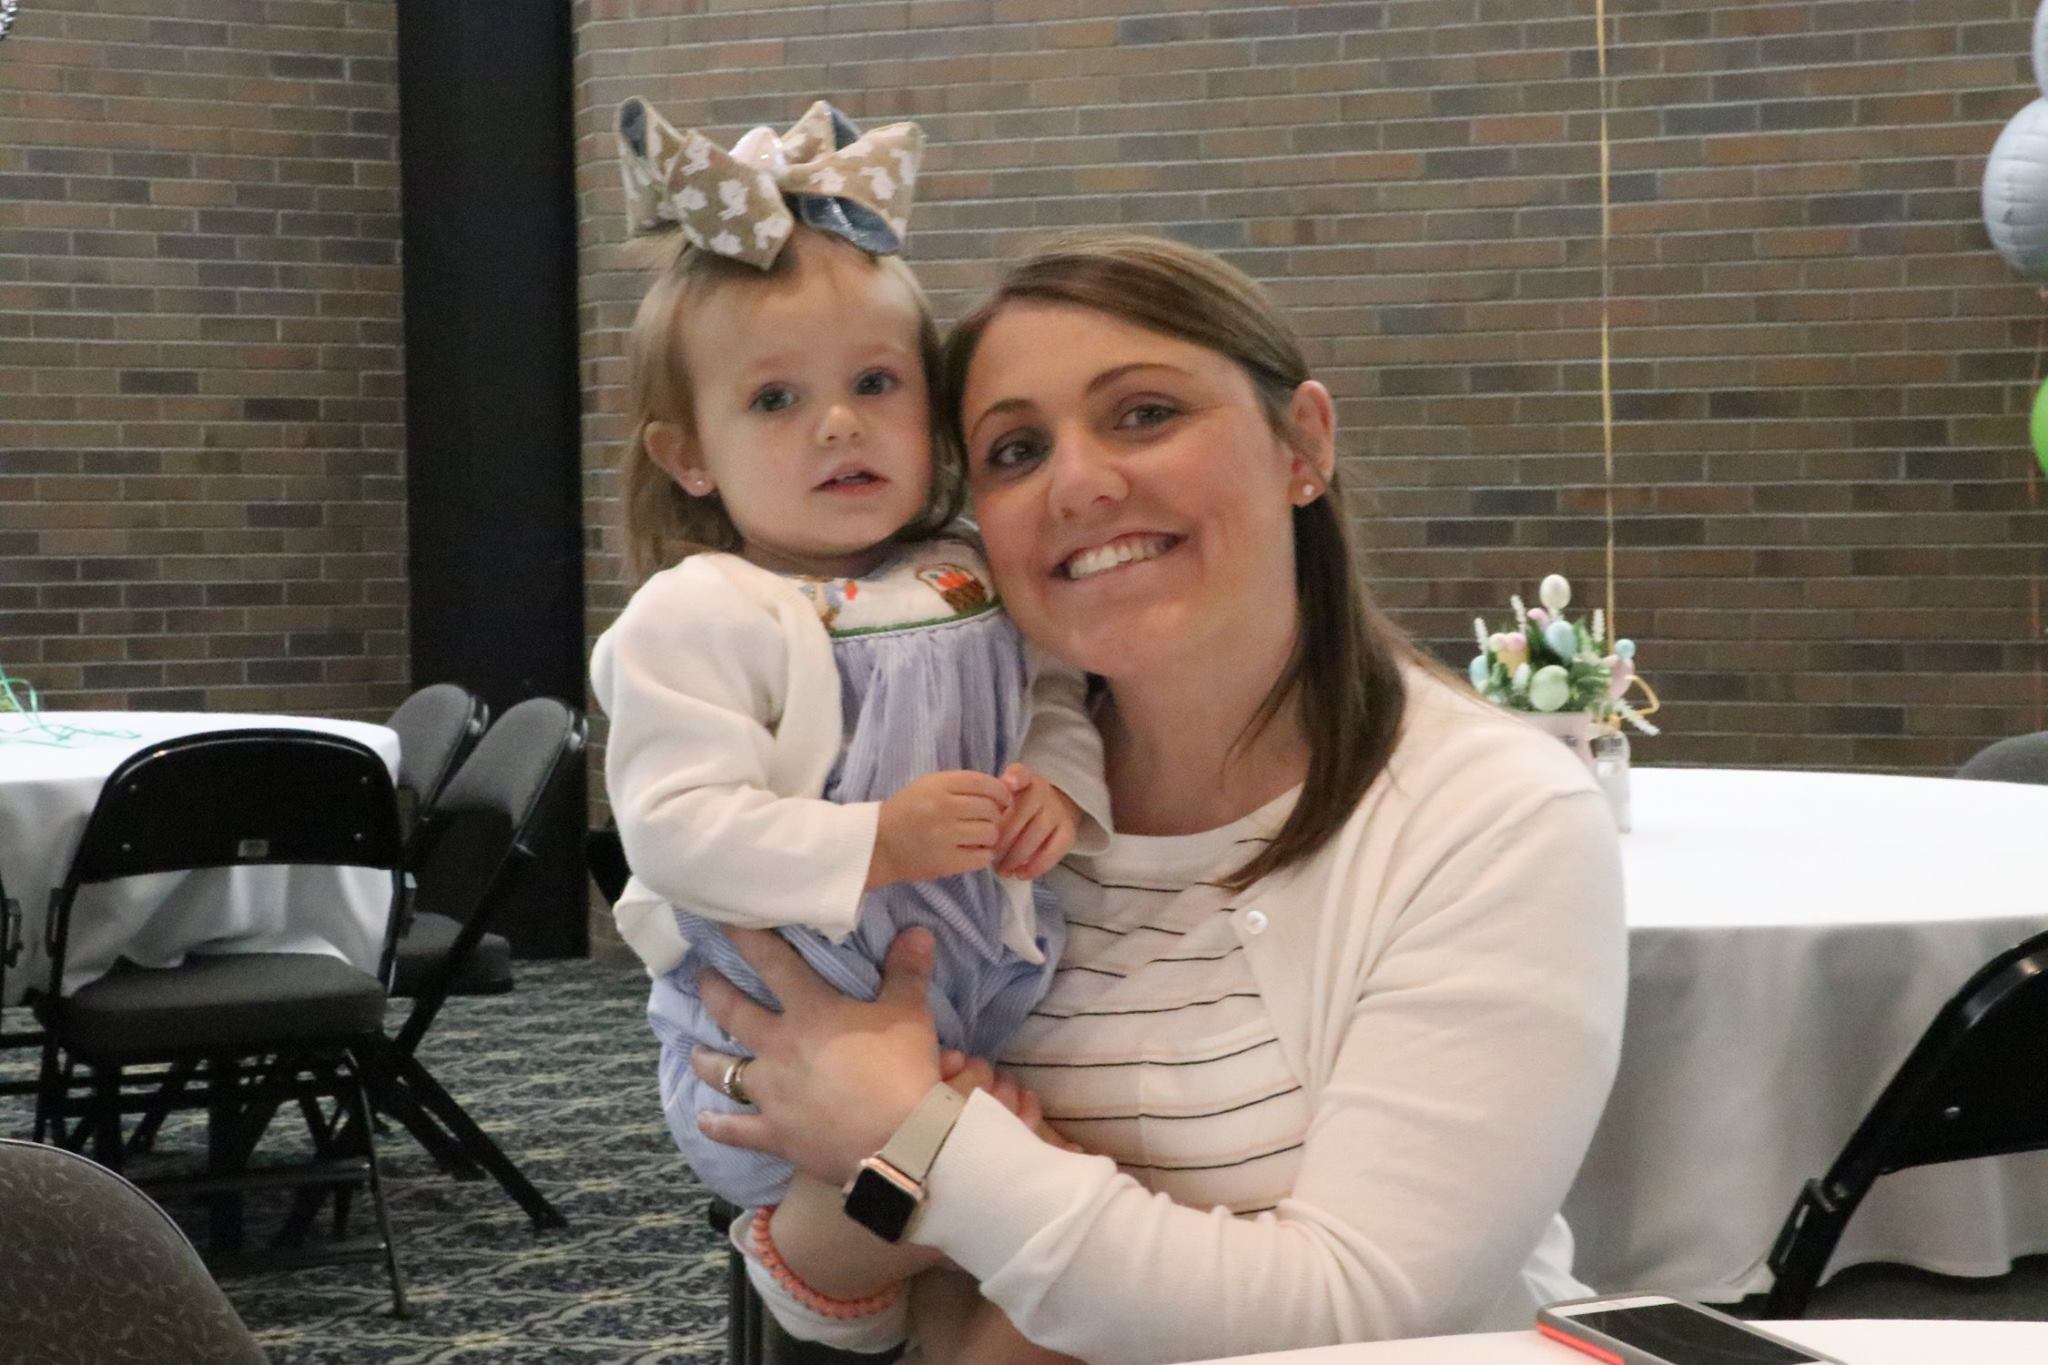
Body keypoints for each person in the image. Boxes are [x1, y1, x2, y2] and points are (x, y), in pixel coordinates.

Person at [685, 233, 1630, 1364]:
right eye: (1015, 449)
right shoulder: (951, 807)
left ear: (1303, 446)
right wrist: (875, 1180)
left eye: (1142, 414)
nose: (1078, 483)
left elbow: (1363, 1315)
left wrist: (913, 1139)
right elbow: (822, 1282)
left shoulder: (1488, 815)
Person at [589, 100, 1110, 1312]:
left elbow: (1055, 699)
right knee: (926, 1206)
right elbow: (673, 828)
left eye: (876, 382)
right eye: (774, 401)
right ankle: (844, 1248)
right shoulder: (703, 611)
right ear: (689, 455)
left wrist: (1057, 786)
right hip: (776, 1033)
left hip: (982, 993)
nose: (837, 422)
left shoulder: (970, 573)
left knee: (1025, 1221)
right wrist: (875, 842)